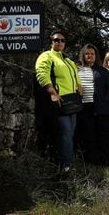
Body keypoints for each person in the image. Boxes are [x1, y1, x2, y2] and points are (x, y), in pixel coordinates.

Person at [35, 30, 82, 172]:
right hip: (59, 100)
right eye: (56, 40)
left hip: (72, 101)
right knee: (66, 132)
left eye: (62, 40)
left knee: (70, 132)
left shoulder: (68, 60)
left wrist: (79, 86)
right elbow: (42, 74)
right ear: (51, 42)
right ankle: (67, 166)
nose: (59, 42)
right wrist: (52, 92)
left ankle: (66, 162)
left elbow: (75, 75)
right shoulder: (46, 56)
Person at [76, 43, 109, 166]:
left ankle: (106, 163)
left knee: (104, 137)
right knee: (88, 136)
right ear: (83, 55)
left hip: (101, 108)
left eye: (92, 54)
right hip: (84, 108)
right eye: (87, 53)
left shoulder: (102, 71)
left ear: (96, 56)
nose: (90, 56)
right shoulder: (76, 69)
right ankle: (91, 164)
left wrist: (105, 100)